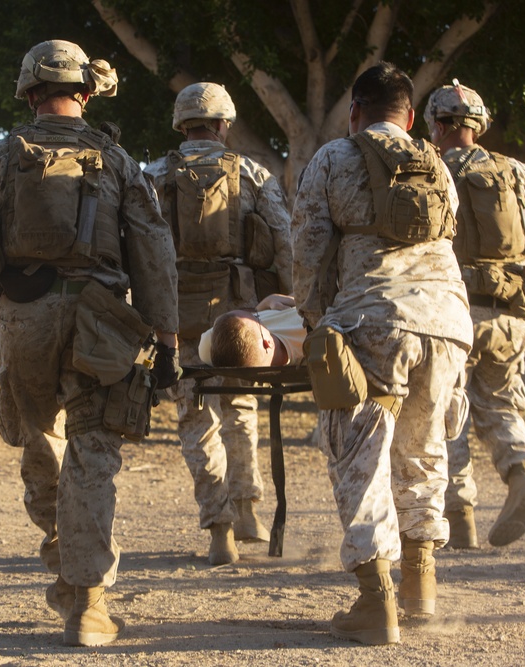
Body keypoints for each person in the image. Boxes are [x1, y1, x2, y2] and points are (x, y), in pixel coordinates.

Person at [0, 40, 181, 647]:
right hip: (101, 320)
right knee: (94, 453)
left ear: (28, 93)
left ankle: (64, 564)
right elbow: (154, 250)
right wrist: (166, 338)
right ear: (86, 93)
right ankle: (88, 604)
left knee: (43, 444)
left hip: (24, 318)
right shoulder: (117, 161)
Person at [292, 62, 472, 644]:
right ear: (412, 117)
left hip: (372, 321)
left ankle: (376, 601)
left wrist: (314, 322)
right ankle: (421, 586)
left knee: (359, 453)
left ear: (354, 111)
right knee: (424, 448)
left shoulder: (332, 158)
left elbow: (307, 249)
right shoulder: (437, 164)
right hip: (448, 324)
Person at [144, 83, 293, 565]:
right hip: (241, 311)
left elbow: (139, 248)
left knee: (195, 417)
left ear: (181, 124)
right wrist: (293, 307)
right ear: (223, 124)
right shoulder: (252, 173)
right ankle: (248, 512)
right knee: (241, 405)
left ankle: (219, 531)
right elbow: (284, 241)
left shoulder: (153, 176)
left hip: (177, 315)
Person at [424, 81, 525, 549]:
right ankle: (520, 473)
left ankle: (460, 519)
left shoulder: (428, 172)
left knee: (447, 412)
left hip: (452, 313)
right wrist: (524, 243)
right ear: (480, 125)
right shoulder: (513, 171)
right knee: (499, 403)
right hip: (511, 314)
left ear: (436, 126)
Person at [198, 294, 305, 367]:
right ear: (268, 343)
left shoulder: (209, 349)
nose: (257, 314)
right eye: (257, 318)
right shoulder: (306, 335)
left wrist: (266, 303)